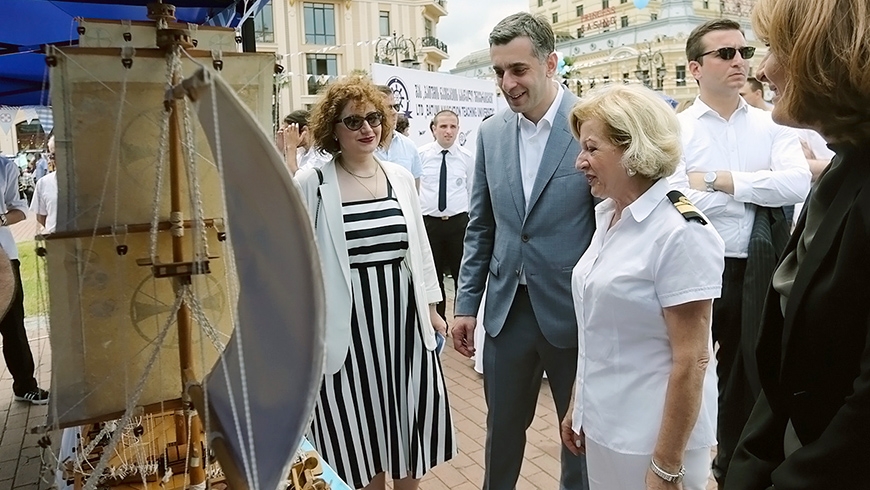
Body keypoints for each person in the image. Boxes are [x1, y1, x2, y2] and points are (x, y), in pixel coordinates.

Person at [726, 0, 870, 487]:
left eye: (775, 49)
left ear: (830, 54)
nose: (762, 70)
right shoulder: (842, 170)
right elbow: (787, 373)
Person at [452, 12, 593, 490]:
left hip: (573, 313)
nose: (507, 83)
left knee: (579, 437)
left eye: (518, 69)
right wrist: (466, 305)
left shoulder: (591, 124)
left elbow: (610, 223)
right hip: (507, 313)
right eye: (499, 72)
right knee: (502, 432)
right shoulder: (491, 133)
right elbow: (481, 226)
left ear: (550, 63)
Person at [668, 19, 811, 487]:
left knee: (746, 381)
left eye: (744, 52)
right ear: (695, 68)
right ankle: (678, 466)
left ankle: (730, 471)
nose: (739, 61)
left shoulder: (772, 122)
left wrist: (717, 180)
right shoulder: (677, 128)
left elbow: (796, 183)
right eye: (725, 53)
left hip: (756, 266)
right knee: (684, 370)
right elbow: (675, 195)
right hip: (694, 264)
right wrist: (755, 190)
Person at [559, 84, 724, 490]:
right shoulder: (609, 217)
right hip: (606, 427)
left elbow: (692, 359)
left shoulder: (680, 231)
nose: (580, 161)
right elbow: (597, 330)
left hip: (652, 440)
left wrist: (666, 466)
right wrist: (580, 405)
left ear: (634, 150)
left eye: (592, 148)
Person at [294, 76, 455, 490]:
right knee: (356, 434)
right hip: (346, 330)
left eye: (373, 118)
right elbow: (295, 263)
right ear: (333, 129)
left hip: (402, 326)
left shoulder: (398, 175)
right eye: (353, 121)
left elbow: (419, 247)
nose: (367, 128)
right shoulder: (312, 183)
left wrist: (432, 309)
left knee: (407, 426)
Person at [0, 154, 49, 404]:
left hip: (4, 257)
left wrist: (1, 219)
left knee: (13, 324)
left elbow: (19, 210)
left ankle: (25, 385)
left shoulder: (5, 166)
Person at [417, 110, 474, 322]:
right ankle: (439, 325)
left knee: (462, 276)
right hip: (429, 225)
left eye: (452, 127)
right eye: (443, 126)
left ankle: (462, 321)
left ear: (458, 130)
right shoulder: (421, 156)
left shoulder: (467, 158)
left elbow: (472, 191)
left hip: (458, 225)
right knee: (433, 277)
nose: (448, 131)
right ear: (434, 129)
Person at [374, 85, 422, 189]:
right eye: (388, 108)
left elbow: (414, 190)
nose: (395, 113)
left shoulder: (409, 146)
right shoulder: (363, 147)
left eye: (395, 107)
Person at [276, 110, 330, 175]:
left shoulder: (321, 157)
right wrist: (280, 150)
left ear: (304, 131)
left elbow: (295, 177)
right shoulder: (301, 153)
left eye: (289, 131)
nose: (286, 136)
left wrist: (291, 147)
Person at [30, 135, 57, 233]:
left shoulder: (89, 180)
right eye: (53, 155)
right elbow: (41, 216)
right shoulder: (43, 183)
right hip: (56, 238)